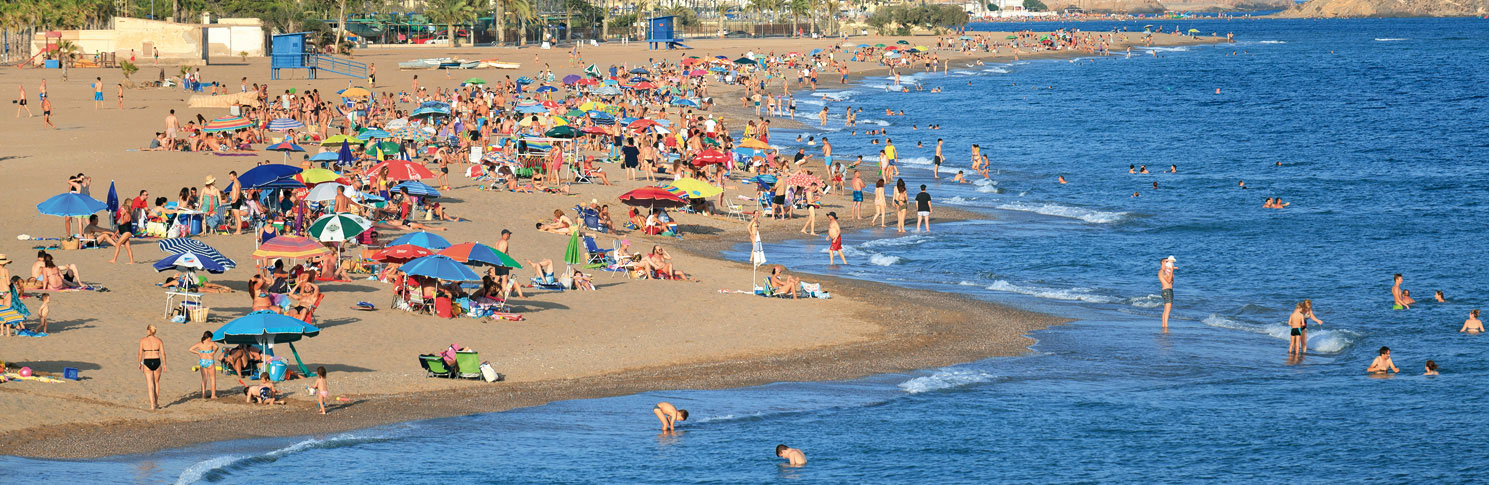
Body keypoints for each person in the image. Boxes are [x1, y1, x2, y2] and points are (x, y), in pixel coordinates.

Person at [138, 324, 166, 410]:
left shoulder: (143, 340)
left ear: (148, 331)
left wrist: (139, 363)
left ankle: (152, 405)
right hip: (157, 360)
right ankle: (156, 402)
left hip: (147, 361)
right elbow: (163, 353)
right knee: (156, 383)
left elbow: (140, 353)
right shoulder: (159, 340)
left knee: (150, 384)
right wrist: (165, 364)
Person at [188, 331, 220, 400]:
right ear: (208, 337)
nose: (211, 339)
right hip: (210, 361)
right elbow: (217, 347)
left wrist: (198, 353)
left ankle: (203, 395)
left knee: (204, 379)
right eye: (211, 338)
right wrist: (214, 352)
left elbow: (190, 349)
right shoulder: (211, 343)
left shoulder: (200, 344)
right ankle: (213, 395)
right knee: (212, 378)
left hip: (202, 362)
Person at [1158, 256, 1176, 331]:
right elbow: (1168, 281)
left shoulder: (1165, 271)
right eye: (1166, 261)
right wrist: (1171, 270)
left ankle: (1164, 326)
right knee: (1167, 310)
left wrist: (1171, 271)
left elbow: (1172, 281)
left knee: (1166, 310)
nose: (1168, 263)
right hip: (1167, 291)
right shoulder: (1162, 271)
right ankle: (1165, 327)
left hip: (1168, 290)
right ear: (1162, 263)